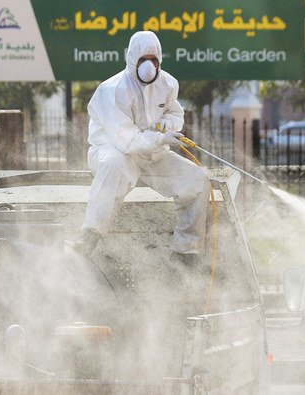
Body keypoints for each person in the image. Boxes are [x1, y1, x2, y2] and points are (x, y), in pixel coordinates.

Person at [75, 31, 210, 266]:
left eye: (154, 59)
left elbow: (175, 112)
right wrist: (159, 139)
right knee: (112, 166)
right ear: (132, 59)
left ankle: (185, 252)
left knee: (197, 180)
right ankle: (89, 236)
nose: (149, 66)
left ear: (159, 59)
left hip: (153, 157)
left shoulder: (167, 84)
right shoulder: (113, 89)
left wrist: (169, 123)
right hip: (115, 152)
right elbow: (125, 140)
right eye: (143, 59)